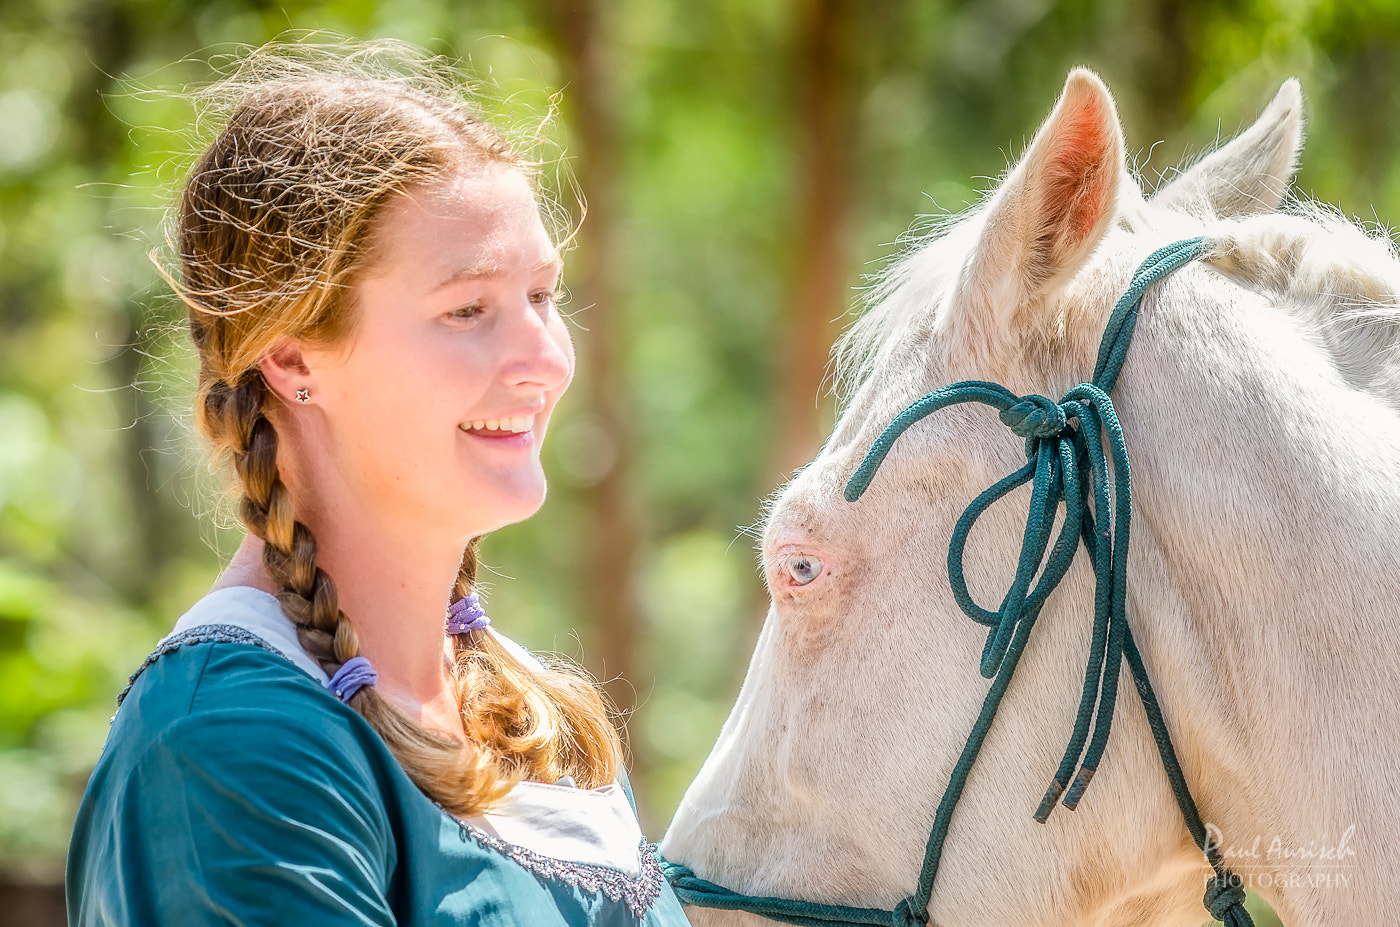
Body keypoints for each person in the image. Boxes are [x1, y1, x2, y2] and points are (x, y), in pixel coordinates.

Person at [66, 40, 687, 927]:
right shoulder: (232, 740)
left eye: (543, 297)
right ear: (290, 357)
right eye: (467, 309)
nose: (544, 361)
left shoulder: (538, 720)